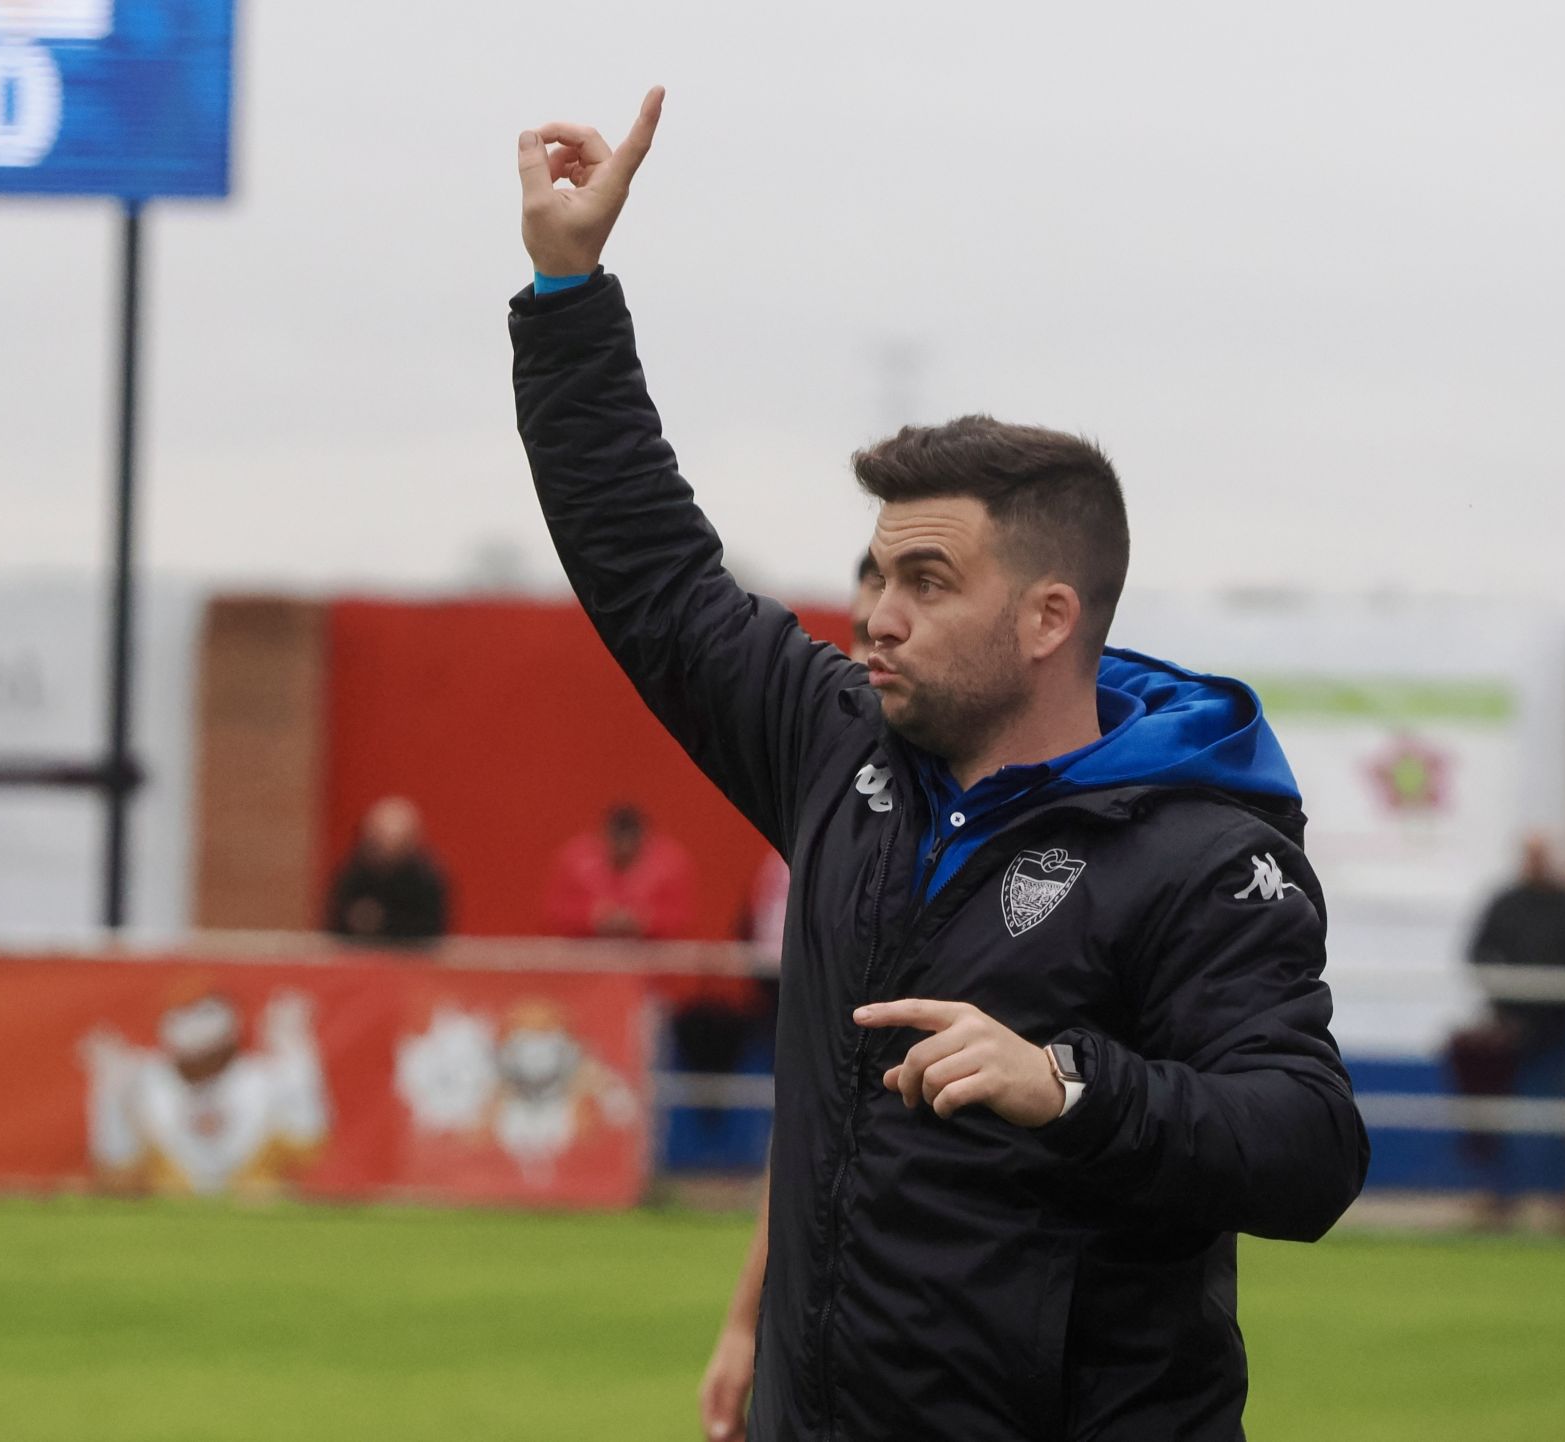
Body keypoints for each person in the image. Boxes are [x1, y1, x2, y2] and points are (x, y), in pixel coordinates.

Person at [511, 89, 1367, 1442]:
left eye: (926, 578)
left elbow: (1309, 1145)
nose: (877, 613)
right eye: (873, 572)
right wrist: (568, 291)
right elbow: (656, 576)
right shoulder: (840, 748)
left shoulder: (1205, 853)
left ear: (1047, 619)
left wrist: (1069, 1086)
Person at [1452, 834, 1565, 1222]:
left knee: (1557, 1116)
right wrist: (1503, 1002)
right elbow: (1478, 953)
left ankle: (1561, 1203)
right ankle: (1502, 1199)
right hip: (1509, 1032)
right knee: (1498, 1115)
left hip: (1558, 1030)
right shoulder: (1505, 903)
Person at [543, 804, 693, 941]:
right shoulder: (574, 861)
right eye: (617, 847)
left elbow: (683, 917)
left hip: (651, 956)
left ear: (645, 840)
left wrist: (646, 920)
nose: (624, 851)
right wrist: (592, 917)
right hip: (587, 954)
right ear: (604, 837)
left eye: (630, 849)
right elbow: (555, 911)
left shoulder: (670, 865)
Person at [324, 797, 449, 944]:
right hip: (359, 959)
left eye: (396, 839)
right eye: (380, 838)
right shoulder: (352, 876)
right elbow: (335, 925)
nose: (387, 847)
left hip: (411, 961)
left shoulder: (426, 881)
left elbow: (433, 932)